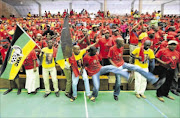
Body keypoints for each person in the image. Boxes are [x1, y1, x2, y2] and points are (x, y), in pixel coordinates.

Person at [83, 46, 162, 102]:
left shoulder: (96, 54)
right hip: (94, 73)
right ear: (89, 52)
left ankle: (127, 76)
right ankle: (94, 96)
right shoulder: (86, 57)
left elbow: (99, 60)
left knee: (112, 67)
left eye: (95, 52)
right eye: (93, 53)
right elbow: (85, 65)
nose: (95, 53)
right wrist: (87, 70)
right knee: (96, 87)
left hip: (100, 68)